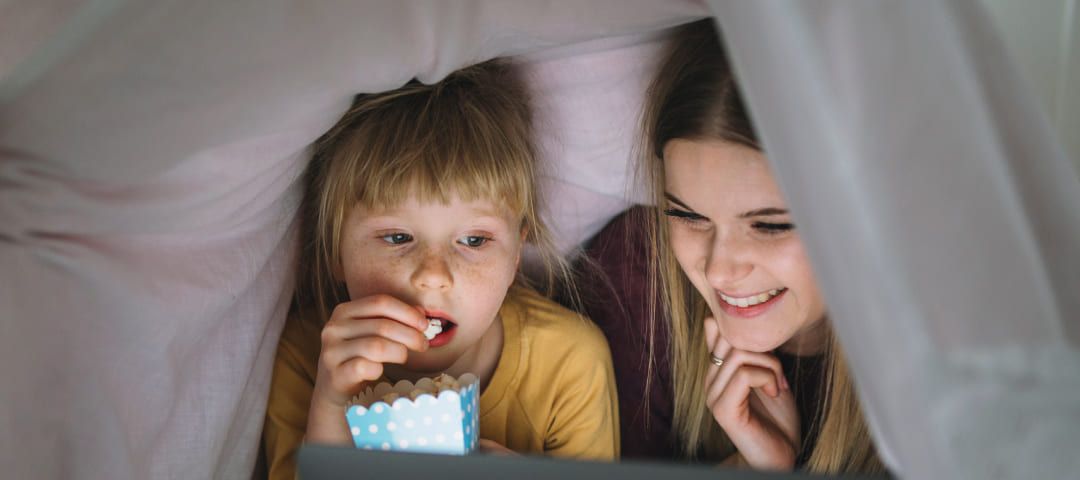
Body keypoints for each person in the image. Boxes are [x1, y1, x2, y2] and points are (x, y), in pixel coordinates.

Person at [262, 60, 619, 480]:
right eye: (397, 238)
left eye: (473, 241)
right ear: (335, 252)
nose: (433, 276)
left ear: (516, 254)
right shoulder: (308, 360)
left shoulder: (568, 364)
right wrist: (331, 412)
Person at [639, 20, 886, 474]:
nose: (718, 271)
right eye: (689, 217)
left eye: (769, 226)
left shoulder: (936, 383)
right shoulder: (638, 280)